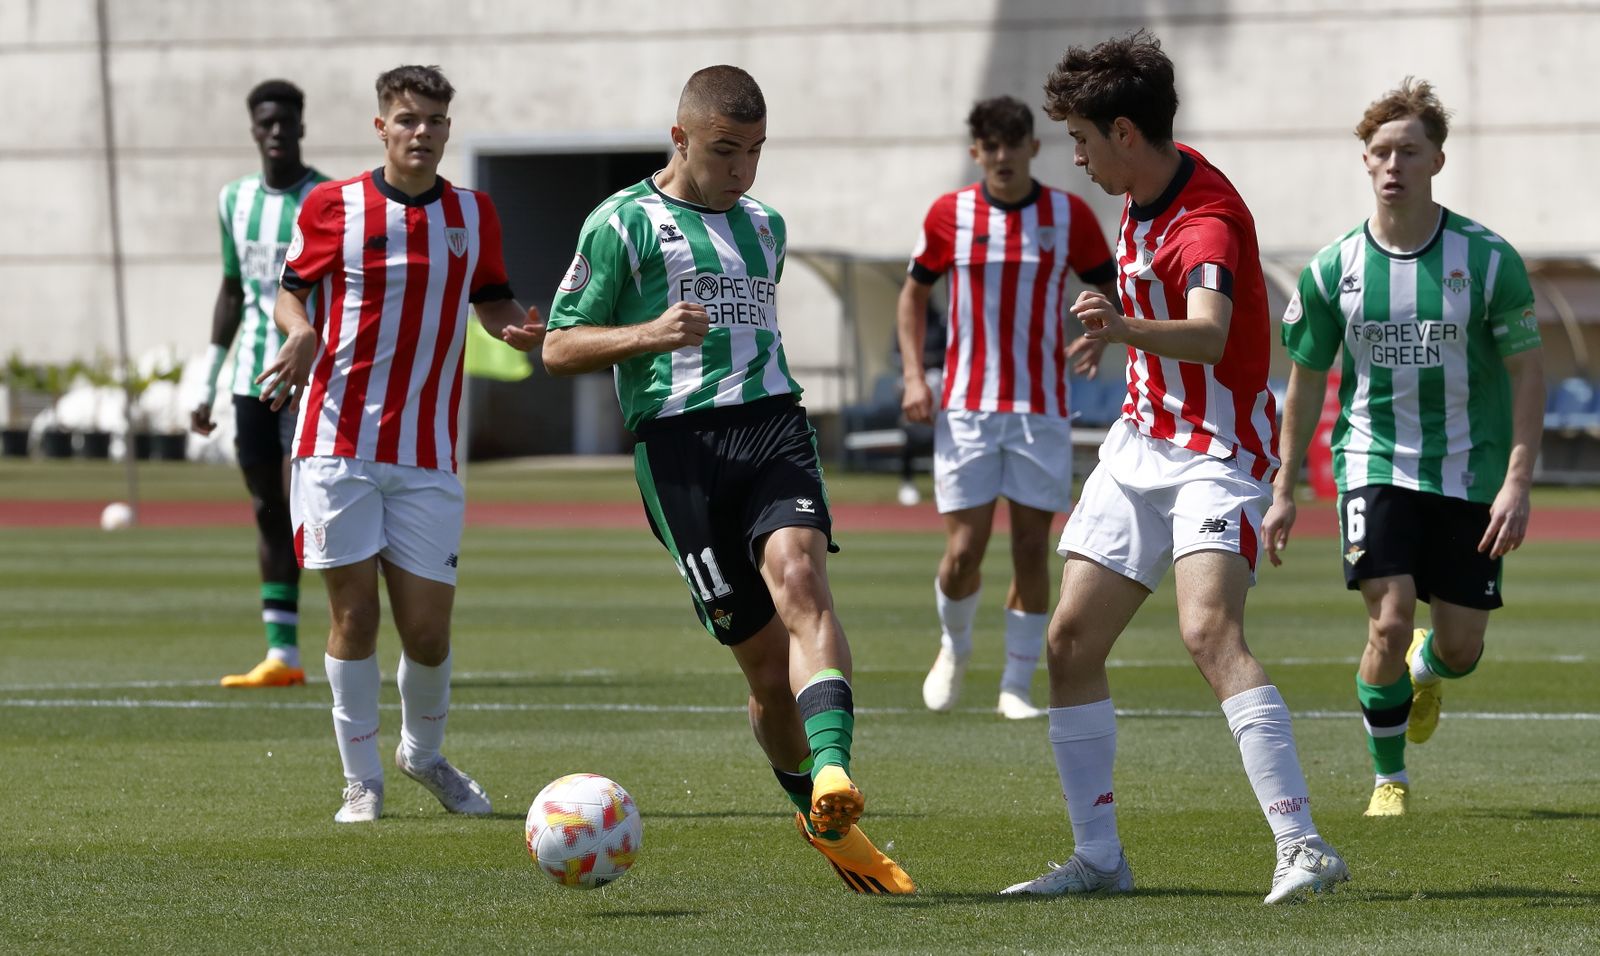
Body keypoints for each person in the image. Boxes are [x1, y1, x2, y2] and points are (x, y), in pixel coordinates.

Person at [542, 65, 915, 895]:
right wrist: (649, 334)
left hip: (774, 425)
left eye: (755, 151)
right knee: (766, 672)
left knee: (802, 579)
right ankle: (816, 815)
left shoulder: (766, 226)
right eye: (724, 150)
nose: (742, 170)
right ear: (680, 138)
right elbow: (559, 346)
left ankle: (833, 769)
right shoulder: (621, 224)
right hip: (679, 454)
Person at [999, 31, 1349, 904]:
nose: (1076, 158)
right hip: (1139, 444)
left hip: (1216, 457)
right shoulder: (1146, 182)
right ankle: (1099, 860)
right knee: (1069, 642)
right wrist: (1116, 335)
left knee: (1208, 633)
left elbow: (1211, 332)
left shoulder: (1207, 221)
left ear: (1124, 132)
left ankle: (1303, 846)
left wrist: (1121, 328)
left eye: (1082, 140)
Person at [256, 65, 544, 823]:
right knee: (354, 619)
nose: (422, 133)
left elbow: (491, 299)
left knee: (428, 631)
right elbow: (290, 291)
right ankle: (363, 780)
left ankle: (424, 754)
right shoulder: (333, 206)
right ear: (381, 126)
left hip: (427, 455)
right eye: (408, 120)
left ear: (448, 129)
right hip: (336, 446)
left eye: (435, 121)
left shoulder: (475, 213)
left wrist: (516, 326)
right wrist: (301, 330)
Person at [1262, 79, 1545, 818]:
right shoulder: (1333, 269)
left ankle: (1427, 667)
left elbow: (1527, 373)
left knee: (1461, 649)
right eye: (1382, 151)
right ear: (1365, 159)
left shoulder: (1488, 260)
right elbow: (1305, 380)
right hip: (1373, 461)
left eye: (1410, 151)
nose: (1394, 165)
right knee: (1385, 620)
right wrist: (1284, 487)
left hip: (1471, 469)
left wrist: (1517, 482)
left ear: (1437, 160)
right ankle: (1389, 779)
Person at [899, 95, 1118, 720]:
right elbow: (912, 297)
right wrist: (915, 376)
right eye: (990, 146)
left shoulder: (1068, 215)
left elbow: (1109, 284)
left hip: (1039, 409)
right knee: (964, 552)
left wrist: (1103, 332)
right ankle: (955, 646)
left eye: (1012, 144)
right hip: (966, 408)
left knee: (1030, 547)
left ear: (1032, 148)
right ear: (977, 153)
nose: (1001, 156)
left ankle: (1016, 686)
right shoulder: (950, 214)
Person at [192, 79, 327, 688]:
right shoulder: (233, 199)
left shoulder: (327, 199)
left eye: (286, 122)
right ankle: (283, 655)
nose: (276, 132)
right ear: (253, 129)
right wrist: (207, 381)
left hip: (311, 381)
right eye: (266, 122)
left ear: (301, 127)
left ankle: (364, 637)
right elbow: (232, 291)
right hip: (251, 381)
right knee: (269, 510)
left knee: (317, 511)